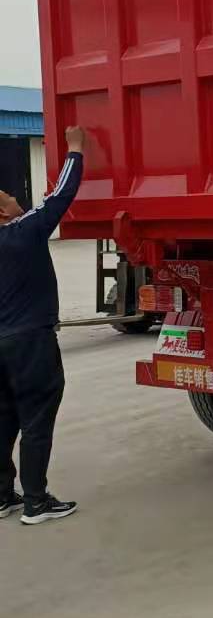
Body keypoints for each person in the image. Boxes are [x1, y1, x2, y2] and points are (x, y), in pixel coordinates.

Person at [0, 125, 85, 525]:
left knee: (4, 418)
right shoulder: (23, 233)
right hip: (30, 342)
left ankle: (3, 495)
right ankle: (36, 501)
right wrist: (75, 149)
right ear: (3, 212)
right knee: (36, 416)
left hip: (2, 345)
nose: (17, 199)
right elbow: (60, 197)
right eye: (9, 197)